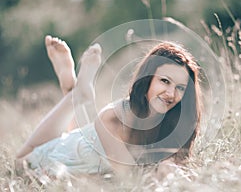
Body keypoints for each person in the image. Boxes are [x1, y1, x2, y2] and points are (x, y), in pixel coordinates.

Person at [15, 35, 202, 178]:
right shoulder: (113, 118)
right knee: (21, 161)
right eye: (164, 81)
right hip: (67, 156)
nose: (171, 94)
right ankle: (75, 95)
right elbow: (129, 181)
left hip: (91, 148)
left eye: (180, 88)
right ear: (147, 79)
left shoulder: (174, 122)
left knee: (84, 135)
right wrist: (163, 174)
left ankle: (73, 91)